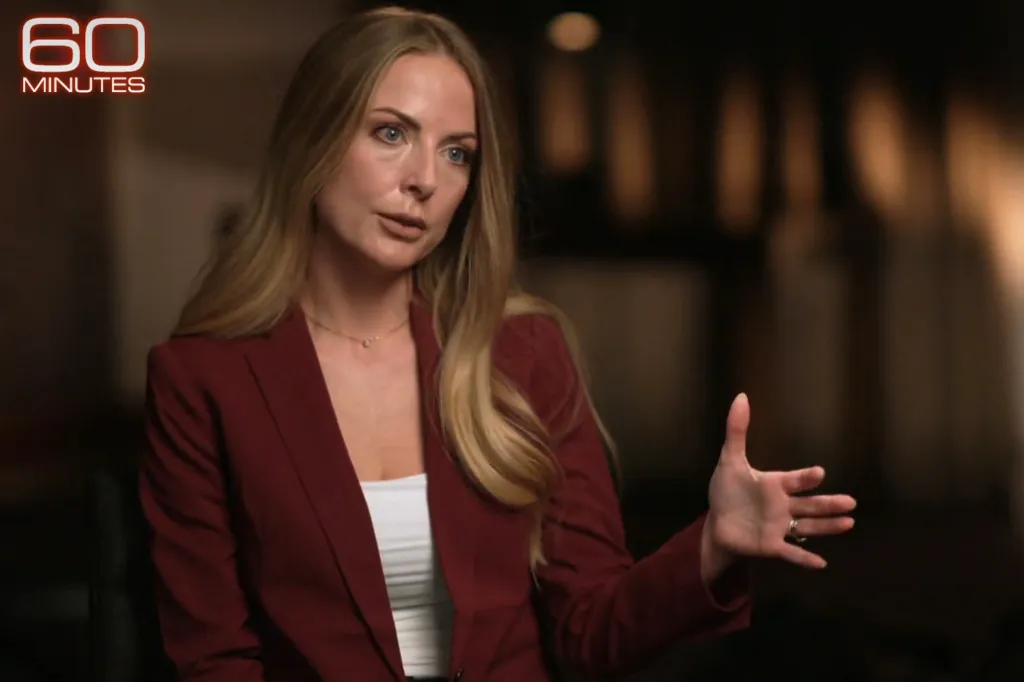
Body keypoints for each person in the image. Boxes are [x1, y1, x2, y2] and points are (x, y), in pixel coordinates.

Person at [138, 6, 857, 682]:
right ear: (313, 139)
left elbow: (588, 633)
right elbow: (214, 662)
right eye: (390, 133)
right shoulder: (202, 380)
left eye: (457, 153)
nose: (424, 180)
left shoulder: (523, 352)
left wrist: (710, 546)